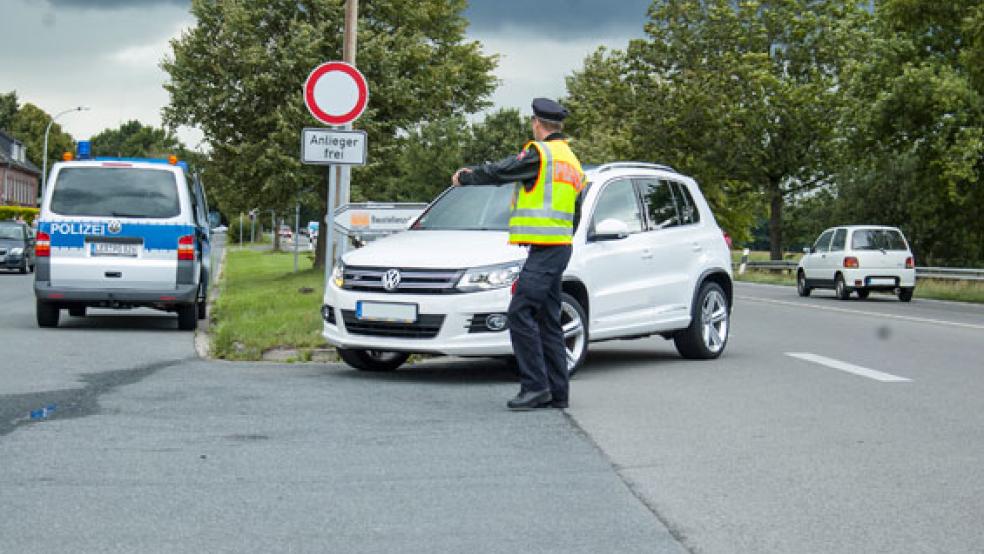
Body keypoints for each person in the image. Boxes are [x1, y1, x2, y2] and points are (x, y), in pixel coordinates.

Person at [452, 98, 586, 411]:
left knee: (519, 313)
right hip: (557, 247)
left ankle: (535, 387)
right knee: (548, 320)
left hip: (546, 252)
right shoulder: (572, 160)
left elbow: (502, 171)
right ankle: (557, 391)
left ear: (537, 123)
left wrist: (467, 176)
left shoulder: (541, 154)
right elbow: (575, 212)